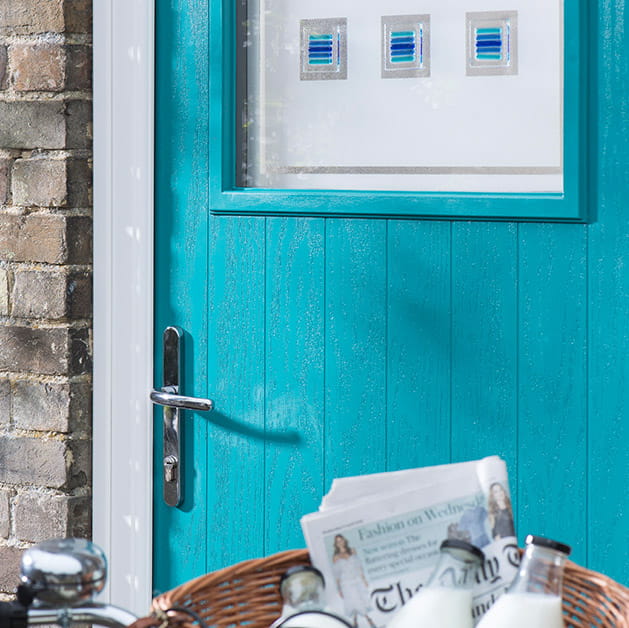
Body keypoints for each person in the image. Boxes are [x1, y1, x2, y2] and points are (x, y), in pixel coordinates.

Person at [331, 535, 376, 628]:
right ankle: (369, 620)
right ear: (335, 544)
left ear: (344, 541)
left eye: (341, 540)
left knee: (359, 599)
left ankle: (355, 622)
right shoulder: (336, 557)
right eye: (338, 541)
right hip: (345, 582)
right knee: (353, 600)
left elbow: (359, 566)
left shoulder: (352, 551)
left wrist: (364, 579)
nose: (340, 543)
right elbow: (337, 574)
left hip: (356, 579)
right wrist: (339, 588)